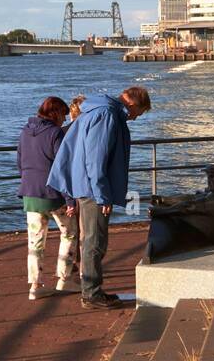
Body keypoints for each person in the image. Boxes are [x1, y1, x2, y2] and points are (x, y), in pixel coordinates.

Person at [47, 86, 151, 309]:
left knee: (90, 240)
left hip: (85, 185)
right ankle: (92, 293)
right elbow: (96, 159)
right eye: (138, 113)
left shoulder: (96, 111)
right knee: (95, 240)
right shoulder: (107, 115)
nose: (134, 118)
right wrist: (103, 194)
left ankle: (91, 291)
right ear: (132, 103)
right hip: (93, 189)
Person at [16, 96, 79, 300]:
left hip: (30, 194)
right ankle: (64, 279)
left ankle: (35, 286)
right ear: (55, 113)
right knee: (69, 233)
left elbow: (20, 162)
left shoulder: (25, 131)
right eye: (63, 114)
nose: (65, 118)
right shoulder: (55, 134)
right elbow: (62, 168)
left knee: (35, 241)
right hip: (54, 194)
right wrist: (70, 200)